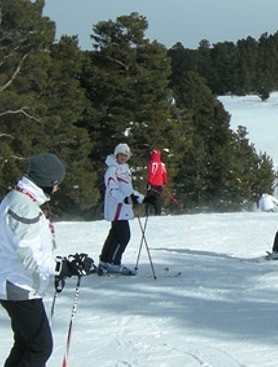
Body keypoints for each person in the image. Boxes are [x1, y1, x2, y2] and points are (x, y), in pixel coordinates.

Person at [0, 153, 93, 366]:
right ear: (48, 182)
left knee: (25, 343)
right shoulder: (24, 207)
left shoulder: (22, 199)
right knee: (40, 347)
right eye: (57, 183)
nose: (58, 188)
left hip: (16, 282)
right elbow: (29, 257)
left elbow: (32, 248)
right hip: (18, 286)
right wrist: (63, 267)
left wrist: (57, 266)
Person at [98, 143, 145, 275]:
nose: (124, 157)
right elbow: (112, 189)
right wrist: (124, 199)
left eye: (126, 155)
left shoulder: (124, 169)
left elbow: (128, 190)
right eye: (121, 155)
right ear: (116, 155)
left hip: (123, 208)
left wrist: (142, 199)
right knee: (124, 236)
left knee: (115, 234)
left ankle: (105, 261)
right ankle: (113, 263)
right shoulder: (113, 170)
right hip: (117, 208)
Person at [146, 148, 168, 216]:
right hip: (160, 184)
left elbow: (151, 173)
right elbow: (164, 173)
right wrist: (164, 182)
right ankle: (158, 212)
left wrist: (149, 181)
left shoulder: (153, 163)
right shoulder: (162, 164)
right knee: (157, 199)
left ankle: (148, 213)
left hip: (153, 184)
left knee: (149, 199)